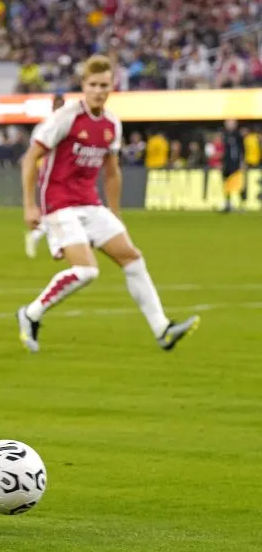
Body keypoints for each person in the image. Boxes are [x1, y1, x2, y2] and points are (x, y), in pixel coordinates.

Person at [15, 56, 200, 353]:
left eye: (104, 85)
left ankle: (162, 329)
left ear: (112, 86)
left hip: (90, 203)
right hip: (59, 204)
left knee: (132, 258)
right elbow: (29, 159)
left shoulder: (112, 123)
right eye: (93, 85)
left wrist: (115, 214)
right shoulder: (66, 118)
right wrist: (29, 205)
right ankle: (31, 313)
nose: (99, 91)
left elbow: (112, 172)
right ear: (83, 86)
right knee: (87, 271)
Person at [24, 93, 65, 258]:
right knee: (55, 208)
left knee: (61, 208)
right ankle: (55, 245)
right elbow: (33, 153)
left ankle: (43, 238)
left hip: (64, 173)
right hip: (46, 172)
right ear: (53, 107)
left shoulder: (69, 125)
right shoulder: (44, 127)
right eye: (57, 105)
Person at [220, 119, 244, 213]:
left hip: (236, 164)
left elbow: (242, 150)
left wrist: (242, 162)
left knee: (238, 185)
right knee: (227, 185)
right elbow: (223, 151)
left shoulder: (238, 135)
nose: (229, 125)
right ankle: (228, 204)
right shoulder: (224, 135)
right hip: (227, 164)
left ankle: (240, 205)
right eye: (228, 124)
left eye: (231, 124)